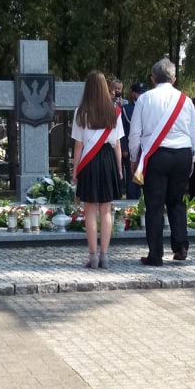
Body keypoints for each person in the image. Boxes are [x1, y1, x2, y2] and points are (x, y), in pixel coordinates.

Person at [129, 57, 195, 266]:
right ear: (174, 79)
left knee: (155, 204)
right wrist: (192, 158)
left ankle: (155, 254)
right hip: (182, 153)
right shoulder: (185, 100)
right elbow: (194, 133)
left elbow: (135, 133)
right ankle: (181, 246)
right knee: (177, 201)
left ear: (152, 78)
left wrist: (134, 159)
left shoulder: (144, 99)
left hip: (156, 155)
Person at [72, 70, 123, 269]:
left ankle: (93, 257)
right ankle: (105, 255)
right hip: (108, 159)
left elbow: (78, 145)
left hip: (89, 161)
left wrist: (75, 170)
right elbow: (117, 144)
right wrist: (119, 169)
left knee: (90, 211)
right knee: (106, 210)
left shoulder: (81, 112)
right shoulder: (114, 111)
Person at [121, 82, 146, 200]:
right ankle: (131, 202)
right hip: (131, 148)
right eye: (138, 93)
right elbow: (122, 130)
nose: (141, 95)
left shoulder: (149, 107)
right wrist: (124, 148)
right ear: (133, 94)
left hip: (146, 148)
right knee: (132, 176)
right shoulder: (126, 109)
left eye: (143, 93)